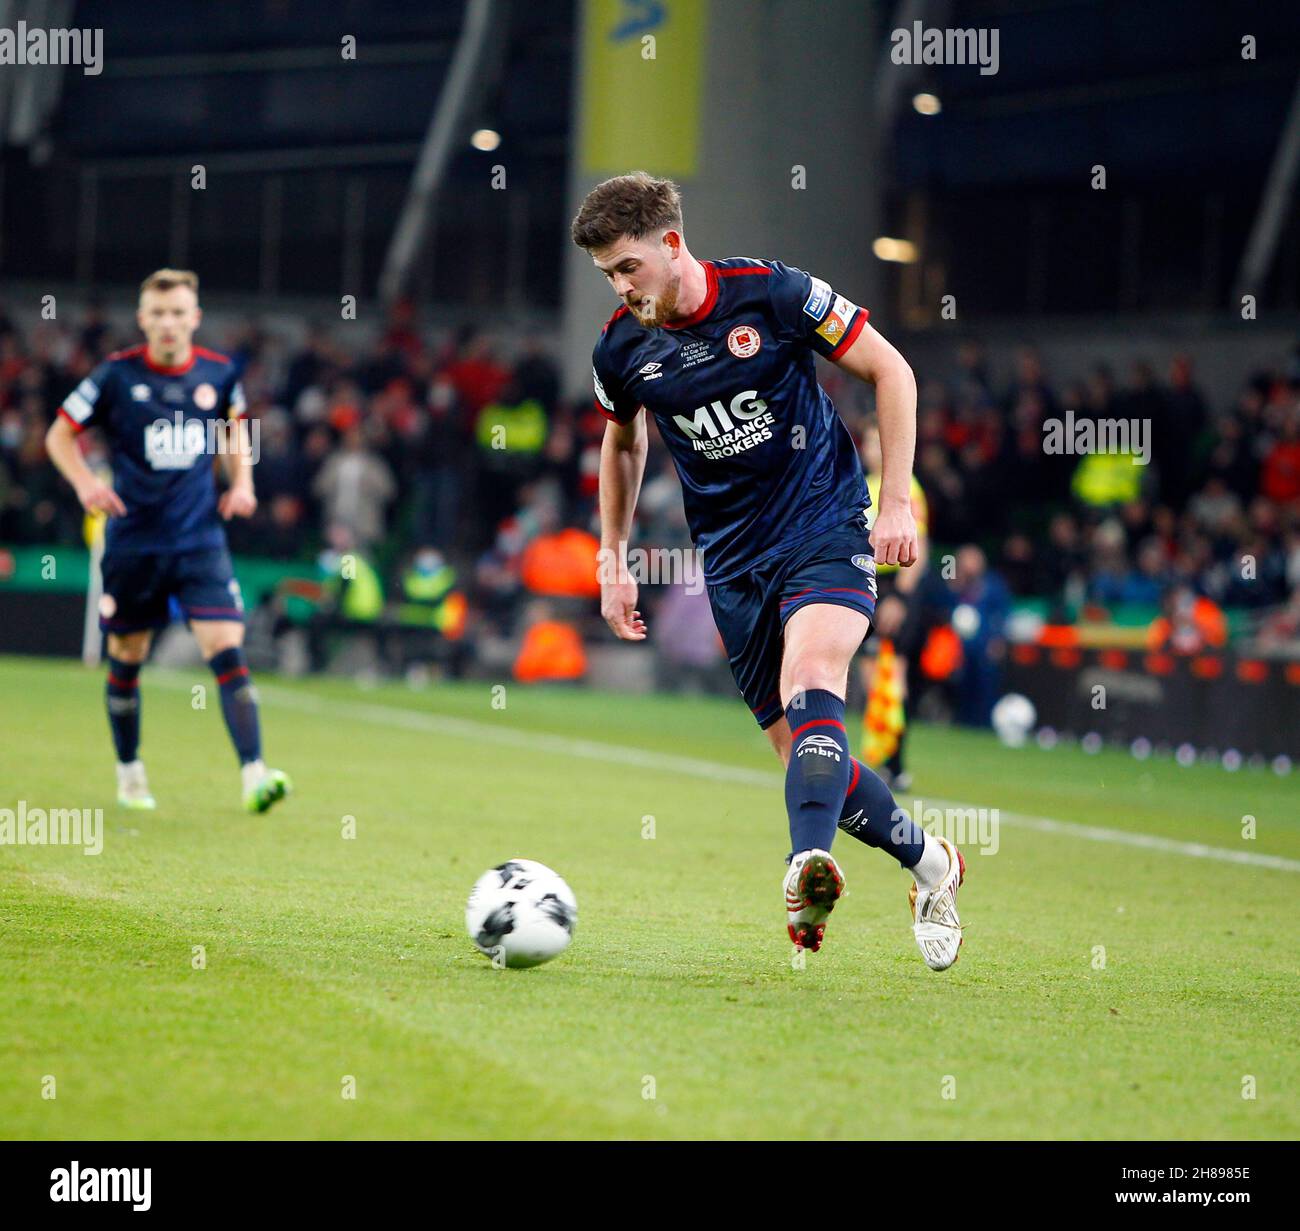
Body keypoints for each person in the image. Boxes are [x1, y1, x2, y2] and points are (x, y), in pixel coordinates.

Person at [572, 172, 964, 967]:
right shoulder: (621, 347)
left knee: (813, 676)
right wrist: (612, 557)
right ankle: (931, 862)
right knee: (809, 760)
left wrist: (896, 506)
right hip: (732, 561)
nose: (619, 287)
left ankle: (804, 867)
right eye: (608, 275)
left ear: (671, 244)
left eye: (627, 269)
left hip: (823, 522)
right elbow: (621, 442)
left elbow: (894, 372)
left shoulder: (776, 295)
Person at [44, 268, 290, 814]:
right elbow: (59, 433)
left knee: (226, 647)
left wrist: (243, 484)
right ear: (142, 320)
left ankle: (255, 773)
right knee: (126, 658)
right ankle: (129, 771)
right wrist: (86, 482)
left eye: (179, 312)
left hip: (199, 539)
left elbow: (236, 428)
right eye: (158, 314)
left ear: (195, 318)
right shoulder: (114, 376)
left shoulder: (221, 373)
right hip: (133, 543)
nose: (169, 323)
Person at [857, 423, 931, 791]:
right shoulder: (863, 484)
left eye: (877, 441)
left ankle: (897, 765)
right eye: (869, 442)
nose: (872, 449)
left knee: (892, 675)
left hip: (894, 584)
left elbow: (919, 548)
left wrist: (900, 597)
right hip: (866, 581)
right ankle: (880, 758)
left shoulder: (905, 489)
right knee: (870, 676)